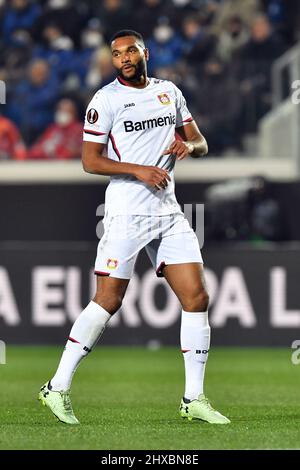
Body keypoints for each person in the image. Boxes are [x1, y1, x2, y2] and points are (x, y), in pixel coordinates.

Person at [38, 29, 230, 426]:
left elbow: (200, 142)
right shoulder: (105, 100)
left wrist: (187, 147)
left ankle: (193, 398)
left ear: (146, 53)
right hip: (127, 213)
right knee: (108, 300)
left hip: (169, 210)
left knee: (196, 298)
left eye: (130, 51)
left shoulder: (169, 92)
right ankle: (56, 388)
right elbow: (90, 160)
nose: (123, 58)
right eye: (116, 53)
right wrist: (138, 170)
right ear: (112, 60)